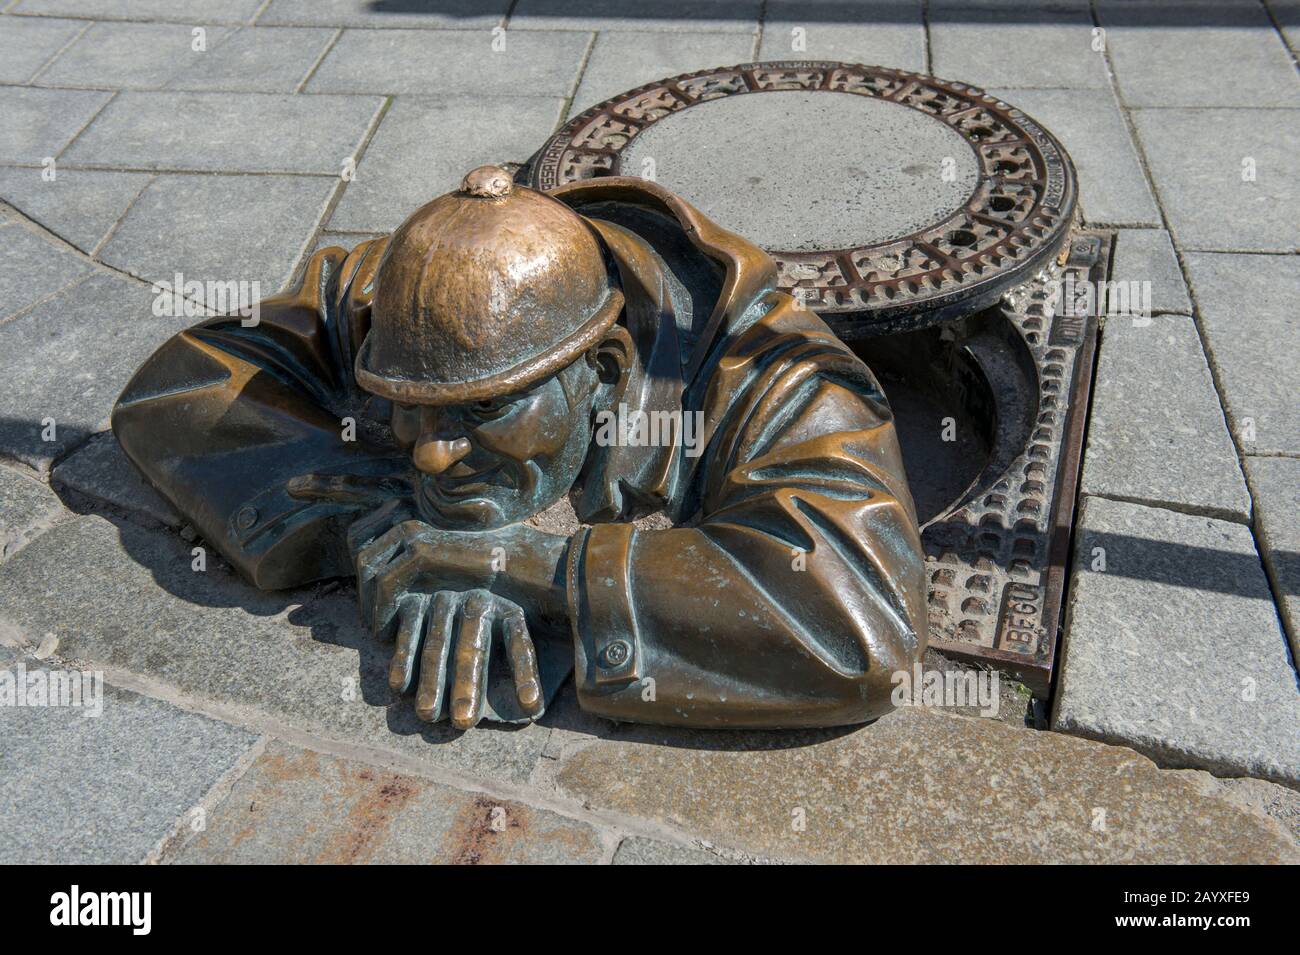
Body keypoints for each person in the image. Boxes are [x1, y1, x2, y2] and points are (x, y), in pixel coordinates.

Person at [114, 166, 926, 731]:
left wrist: (536, 570)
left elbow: (864, 622)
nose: (430, 456)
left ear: (603, 369)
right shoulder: (405, 294)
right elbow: (177, 389)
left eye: (481, 412)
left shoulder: (772, 374)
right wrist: (380, 517)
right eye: (407, 409)